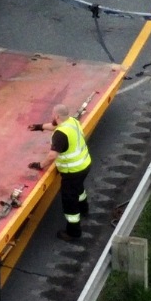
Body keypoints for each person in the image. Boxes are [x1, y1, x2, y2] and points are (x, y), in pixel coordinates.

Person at [28, 103, 92, 241]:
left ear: (56, 116)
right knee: (79, 189)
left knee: (69, 201)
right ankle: (84, 209)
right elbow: (54, 126)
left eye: (53, 114)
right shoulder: (72, 121)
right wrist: (39, 127)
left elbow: (52, 155)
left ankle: (73, 232)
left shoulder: (60, 135)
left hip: (72, 171)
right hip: (84, 165)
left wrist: (40, 165)